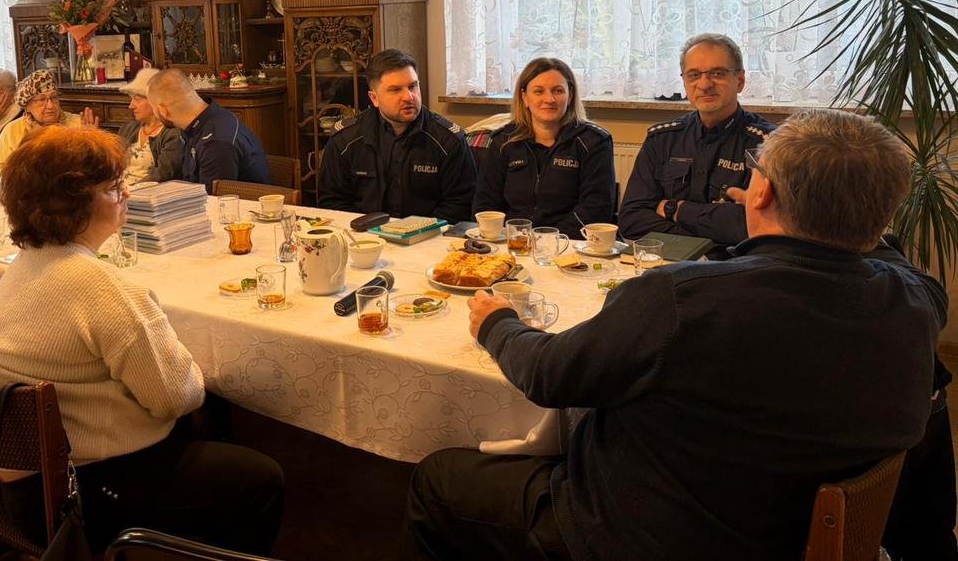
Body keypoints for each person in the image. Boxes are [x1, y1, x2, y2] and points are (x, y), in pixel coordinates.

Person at [405, 109, 946, 561]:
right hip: (797, 531)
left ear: (762, 193)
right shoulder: (917, 301)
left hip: (651, 535)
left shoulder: (682, 297)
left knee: (438, 478)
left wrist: (497, 323)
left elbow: (549, 376)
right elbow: (890, 254)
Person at [0, 128, 284, 554]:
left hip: (23, 483)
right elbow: (177, 397)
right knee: (261, 477)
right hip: (85, 493)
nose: (127, 193)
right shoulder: (101, 287)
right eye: (115, 187)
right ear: (72, 204)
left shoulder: (19, 270)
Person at [618, 33, 775, 249]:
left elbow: (753, 225)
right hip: (665, 263)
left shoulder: (767, 145)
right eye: (693, 75)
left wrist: (676, 209)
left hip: (731, 268)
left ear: (740, 81)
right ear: (684, 81)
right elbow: (631, 219)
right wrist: (702, 243)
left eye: (717, 73)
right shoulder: (662, 139)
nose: (704, 84)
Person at [317, 49, 476, 224]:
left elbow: (459, 206)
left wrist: (412, 233)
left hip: (426, 240)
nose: (408, 97)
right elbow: (332, 201)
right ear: (374, 98)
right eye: (395, 90)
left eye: (413, 86)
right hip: (363, 238)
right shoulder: (345, 139)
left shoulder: (448, 140)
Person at [473, 58, 615, 235]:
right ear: (524, 97)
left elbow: (596, 208)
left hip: (570, 243)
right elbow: (486, 204)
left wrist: (547, 240)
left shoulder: (594, 142)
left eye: (558, 90)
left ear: (570, 96)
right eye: (538, 91)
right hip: (511, 242)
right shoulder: (502, 141)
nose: (549, 99)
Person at [146, 69, 270, 187]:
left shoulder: (216, 141)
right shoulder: (198, 125)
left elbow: (212, 201)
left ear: (163, 111)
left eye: (152, 108)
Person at [0, 70, 98, 171]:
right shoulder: (12, 130)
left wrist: (92, 142)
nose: (50, 105)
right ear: (27, 106)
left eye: (54, 97)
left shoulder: (77, 123)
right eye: (42, 100)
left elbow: (95, 169)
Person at [118, 68, 181, 185]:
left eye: (136, 99)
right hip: (117, 192)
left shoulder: (172, 133)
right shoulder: (128, 129)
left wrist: (130, 189)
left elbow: (164, 174)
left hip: (146, 195)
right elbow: (111, 165)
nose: (131, 106)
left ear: (154, 100)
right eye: (131, 99)